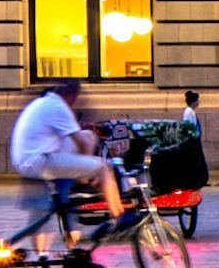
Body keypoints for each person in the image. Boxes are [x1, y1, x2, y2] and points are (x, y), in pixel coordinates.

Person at [9, 80, 131, 239]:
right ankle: (119, 216)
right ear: (73, 96)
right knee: (103, 167)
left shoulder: (42, 102)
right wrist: (87, 173)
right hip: (38, 162)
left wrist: (84, 166)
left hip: (29, 157)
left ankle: (85, 183)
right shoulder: (58, 107)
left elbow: (84, 139)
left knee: (88, 135)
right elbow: (81, 143)